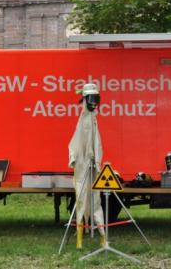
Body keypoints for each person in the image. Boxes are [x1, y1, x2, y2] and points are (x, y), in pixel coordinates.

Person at [68, 83, 105, 249]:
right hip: (82, 166)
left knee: (96, 200)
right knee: (82, 200)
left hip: (93, 165)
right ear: (84, 99)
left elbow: (97, 144)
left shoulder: (93, 119)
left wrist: (96, 160)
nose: (93, 102)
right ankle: (80, 240)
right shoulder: (83, 120)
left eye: (96, 98)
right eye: (91, 98)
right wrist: (74, 157)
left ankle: (102, 235)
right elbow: (76, 142)